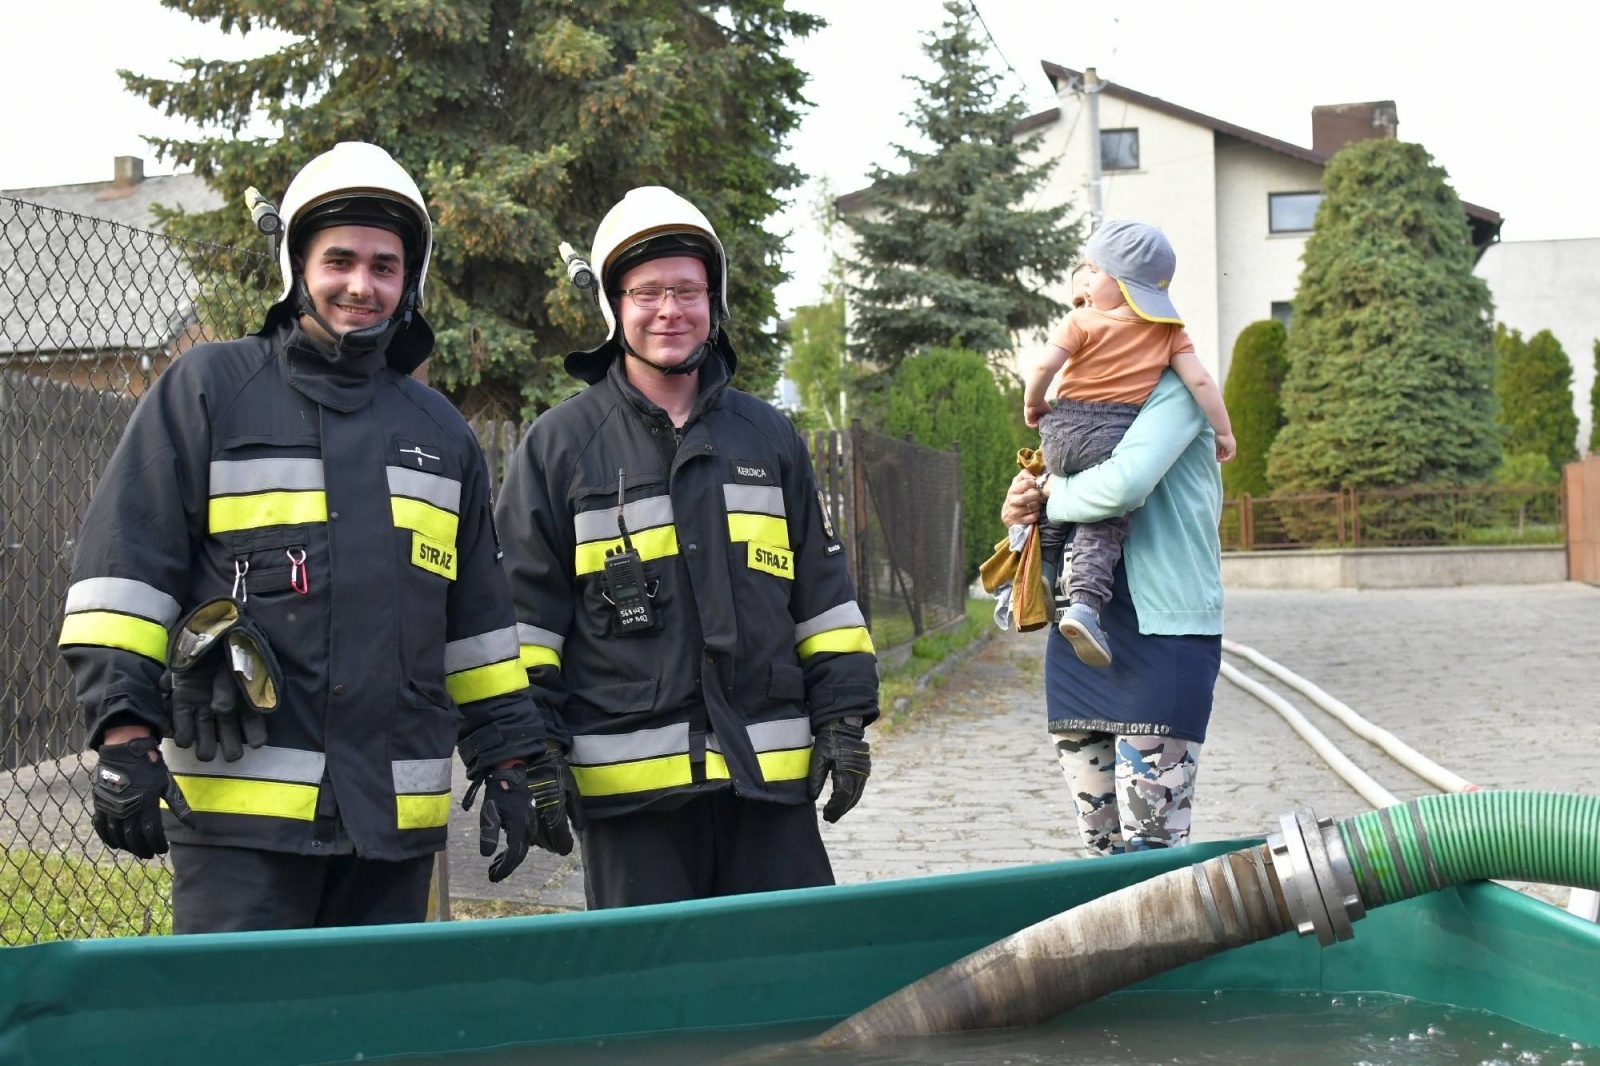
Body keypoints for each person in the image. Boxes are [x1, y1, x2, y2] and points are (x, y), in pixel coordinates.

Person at [58, 141, 571, 933]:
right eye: (340, 260)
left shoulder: (440, 433)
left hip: (390, 827)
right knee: (245, 1015)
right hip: (241, 824)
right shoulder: (209, 391)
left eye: (384, 266)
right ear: (297, 265)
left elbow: (476, 629)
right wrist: (125, 734)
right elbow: (124, 574)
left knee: (372, 1015)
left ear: (408, 282)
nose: (361, 285)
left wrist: (510, 759)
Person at [495, 185, 878, 909]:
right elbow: (523, 624)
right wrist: (533, 752)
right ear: (614, 306)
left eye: (687, 290)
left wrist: (844, 718)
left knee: (793, 969)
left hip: (767, 787)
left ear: (713, 301)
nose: (669, 310)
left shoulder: (767, 438)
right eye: (647, 292)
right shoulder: (559, 447)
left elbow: (823, 600)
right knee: (655, 983)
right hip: (631, 805)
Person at [1003, 353, 1225, 856]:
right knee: (1100, 846)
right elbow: (1064, 491)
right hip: (1078, 638)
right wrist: (1020, 507)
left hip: (1164, 636)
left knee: (1152, 847)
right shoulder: (1083, 391)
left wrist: (1051, 490)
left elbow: (1122, 486)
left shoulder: (1178, 390)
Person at [1021, 221, 1235, 668]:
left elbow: (1044, 367)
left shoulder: (1084, 326)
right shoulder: (1168, 335)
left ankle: (1044, 566)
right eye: (1079, 297)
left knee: (1083, 495)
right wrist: (1225, 430)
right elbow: (1202, 380)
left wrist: (1035, 405)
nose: (1086, 294)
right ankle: (1083, 602)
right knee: (1102, 523)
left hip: (1062, 426)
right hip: (1108, 434)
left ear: (1116, 282)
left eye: (1093, 275)